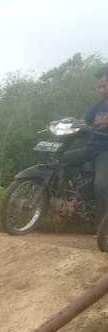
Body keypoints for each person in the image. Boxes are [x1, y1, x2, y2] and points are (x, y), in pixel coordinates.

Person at [83, 67, 108, 239]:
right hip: (90, 148)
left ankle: (103, 230)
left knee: (100, 185)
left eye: (103, 86)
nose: (100, 90)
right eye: (99, 87)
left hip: (105, 151)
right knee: (60, 159)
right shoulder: (96, 106)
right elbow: (83, 122)